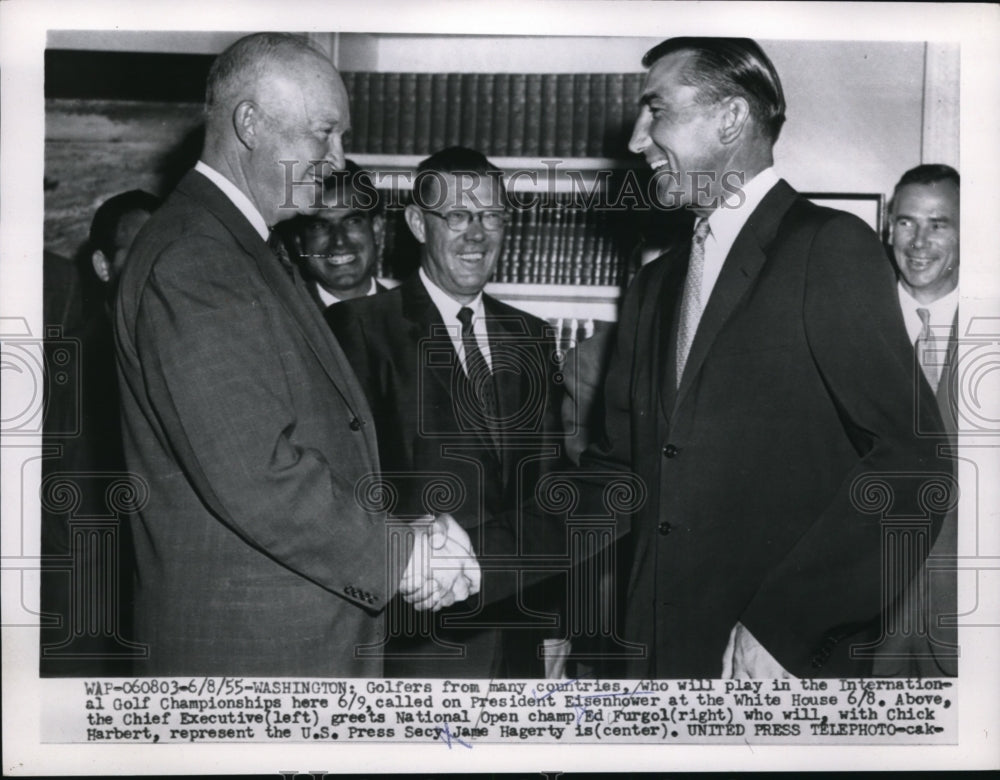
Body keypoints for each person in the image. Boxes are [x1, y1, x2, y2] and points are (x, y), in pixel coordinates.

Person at [576, 36, 951, 678]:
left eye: (656, 110)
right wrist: (470, 546)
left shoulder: (829, 249)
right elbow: (616, 475)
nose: (637, 139)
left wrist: (785, 629)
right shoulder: (654, 286)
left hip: (770, 663)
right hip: (651, 661)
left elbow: (914, 467)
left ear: (730, 119)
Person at [114, 33, 475, 677]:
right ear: (249, 123)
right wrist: (405, 556)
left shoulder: (242, 245)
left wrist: (408, 529)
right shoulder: (196, 259)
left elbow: (304, 436)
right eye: (324, 133)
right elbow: (257, 473)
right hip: (250, 658)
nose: (338, 158)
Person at [327, 147, 568, 678]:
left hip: (518, 639)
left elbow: (548, 494)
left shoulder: (531, 337)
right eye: (457, 216)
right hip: (416, 638)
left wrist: (555, 623)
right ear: (417, 222)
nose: (476, 235)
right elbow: (341, 488)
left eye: (491, 217)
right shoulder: (360, 330)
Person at [873, 164, 960, 677]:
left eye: (939, 223)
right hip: (863, 619)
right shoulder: (845, 320)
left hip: (968, 624)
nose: (919, 241)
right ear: (888, 228)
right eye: (906, 222)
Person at [278, 159, 387, 310]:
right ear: (298, 242)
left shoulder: (415, 316)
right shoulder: (281, 315)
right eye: (319, 226)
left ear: (377, 230)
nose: (339, 241)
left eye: (352, 222)